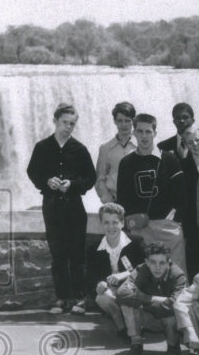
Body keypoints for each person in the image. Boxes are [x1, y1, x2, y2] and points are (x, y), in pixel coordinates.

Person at [26, 103, 97, 315]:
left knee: (77, 255)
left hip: (75, 207)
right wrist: (46, 181)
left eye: (72, 124)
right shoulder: (42, 147)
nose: (68, 127)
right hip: (52, 207)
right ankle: (62, 298)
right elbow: (32, 172)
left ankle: (80, 299)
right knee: (58, 255)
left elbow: (90, 178)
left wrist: (73, 185)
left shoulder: (80, 149)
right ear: (55, 121)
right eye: (65, 122)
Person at [116, 112, 187, 273]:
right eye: (140, 131)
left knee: (176, 271)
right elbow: (122, 198)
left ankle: (178, 297)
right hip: (140, 228)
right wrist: (129, 225)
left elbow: (181, 196)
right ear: (133, 133)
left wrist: (174, 220)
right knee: (145, 272)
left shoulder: (169, 159)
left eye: (148, 131)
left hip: (166, 225)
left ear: (155, 133)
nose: (144, 136)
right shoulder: (126, 163)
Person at [109, 241, 186, 355]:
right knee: (127, 305)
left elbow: (176, 303)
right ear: (146, 262)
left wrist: (141, 300)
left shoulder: (178, 275)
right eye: (153, 262)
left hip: (168, 319)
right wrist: (152, 299)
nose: (157, 267)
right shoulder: (141, 270)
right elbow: (122, 293)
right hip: (148, 317)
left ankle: (173, 344)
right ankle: (136, 344)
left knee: (174, 313)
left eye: (162, 262)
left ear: (168, 263)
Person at [87, 202, 146, 341]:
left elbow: (145, 268)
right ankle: (123, 328)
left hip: (133, 287)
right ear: (101, 224)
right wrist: (98, 283)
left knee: (128, 296)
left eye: (115, 222)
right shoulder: (93, 248)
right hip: (112, 292)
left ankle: (134, 325)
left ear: (122, 223)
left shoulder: (136, 242)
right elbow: (89, 276)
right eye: (106, 222)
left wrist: (124, 274)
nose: (111, 226)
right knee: (102, 297)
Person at [180, 125, 199, 276]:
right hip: (192, 224)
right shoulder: (182, 166)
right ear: (186, 145)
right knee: (195, 265)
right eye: (190, 142)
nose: (195, 145)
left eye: (198, 140)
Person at [94, 101, 136, 203]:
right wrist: (108, 200)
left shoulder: (141, 146)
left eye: (127, 120)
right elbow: (100, 179)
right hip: (115, 202)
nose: (123, 125)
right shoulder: (105, 149)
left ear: (133, 121)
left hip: (139, 203)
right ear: (114, 121)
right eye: (120, 120)